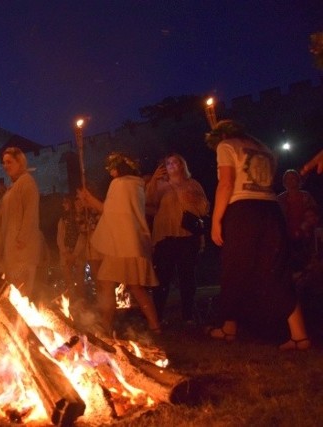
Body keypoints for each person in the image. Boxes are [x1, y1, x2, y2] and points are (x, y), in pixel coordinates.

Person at [205, 120, 309, 350]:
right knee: (277, 269)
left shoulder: (227, 145)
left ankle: (229, 328)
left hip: (243, 210)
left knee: (233, 267)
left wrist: (216, 220)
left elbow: (226, 183)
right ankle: (299, 335)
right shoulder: (264, 149)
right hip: (271, 210)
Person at [77, 153, 160, 335]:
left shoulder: (119, 184)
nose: (110, 172)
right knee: (136, 287)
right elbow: (119, 212)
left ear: (118, 168)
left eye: (111, 169)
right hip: (134, 243)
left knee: (106, 282)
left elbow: (109, 211)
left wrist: (89, 199)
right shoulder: (137, 185)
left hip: (121, 245)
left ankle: (106, 325)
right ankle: (155, 326)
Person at [145, 154, 210, 324]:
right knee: (162, 277)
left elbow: (204, 209)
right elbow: (147, 202)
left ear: (182, 165)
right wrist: (153, 180)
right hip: (165, 236)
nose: (172, 165)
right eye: (168, 163)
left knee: (187, 277)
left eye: (175, 162)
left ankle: (188, 315)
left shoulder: (193, 184)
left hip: (188, 236)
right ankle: (158, 316)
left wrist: (195, 199)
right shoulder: (160, 185)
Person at [0, 147, 42, 297]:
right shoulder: (12, 188)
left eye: (9, 162)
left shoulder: (27, 182)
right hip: (11, 249)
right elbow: (4, 216)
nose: (5, 166)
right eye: (4, 163)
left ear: (20, 162)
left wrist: (22, 239)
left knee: (22, 294)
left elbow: (30, 212)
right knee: (14, 294)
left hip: (22, 250)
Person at [277, 169, 318, 242]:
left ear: (298, 180)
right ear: (284, 182)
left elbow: (315, 213)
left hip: (306, 235)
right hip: (286, 237)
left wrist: (305, 226)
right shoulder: (280, 199)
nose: (290, 180)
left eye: (293, 178)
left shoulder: (306, 196)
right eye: (288, 178)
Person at [56, 196, 85, 294]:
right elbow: (60, 237)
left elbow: (82, 236)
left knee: (79, 280)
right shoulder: (63, 219)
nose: (64, 205)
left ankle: (81, 301)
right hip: (66, 253)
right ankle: (71, 301)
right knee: (68, 281)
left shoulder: (80, 218)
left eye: (66, 202)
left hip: (78, 253)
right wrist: (65, 252)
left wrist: (75, 254)